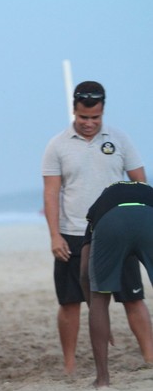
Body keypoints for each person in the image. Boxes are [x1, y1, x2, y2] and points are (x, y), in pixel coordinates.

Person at [42, 80, 153, 375]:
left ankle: (150, 357)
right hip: (73, 232)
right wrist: (54, 235)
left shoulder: (119, 139)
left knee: (133, 297)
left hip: (115, 231)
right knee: (70, 302)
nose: (89, 123)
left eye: (95, 118)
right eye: (83, 118)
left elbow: (140, 183)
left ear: (103, 113)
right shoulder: (57, 145)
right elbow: (51, 193)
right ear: (74, 112)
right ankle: (70, 366)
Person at [80, 181, 153, 387]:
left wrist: (96, 312)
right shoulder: (147, 190)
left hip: (111, 221)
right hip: (150, 215)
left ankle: (102, 379)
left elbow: (85, 272)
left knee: (100, 296)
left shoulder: (98, 207)